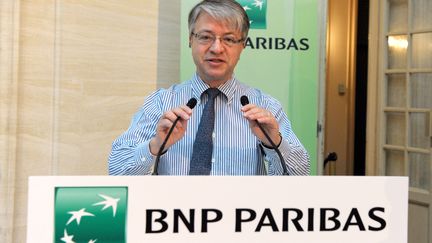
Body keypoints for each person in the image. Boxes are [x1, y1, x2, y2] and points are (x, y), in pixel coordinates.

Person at [108, 0, 310, 176]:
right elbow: (117, 171)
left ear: (243, 45)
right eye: (205, 37)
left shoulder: (265, 106)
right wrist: (155, 146)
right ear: (190, 39)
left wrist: (274, 142)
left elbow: (300, 176)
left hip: (241, 218)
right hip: (174, 217)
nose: (216, 48)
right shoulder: (161, 102)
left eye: (229, 39)